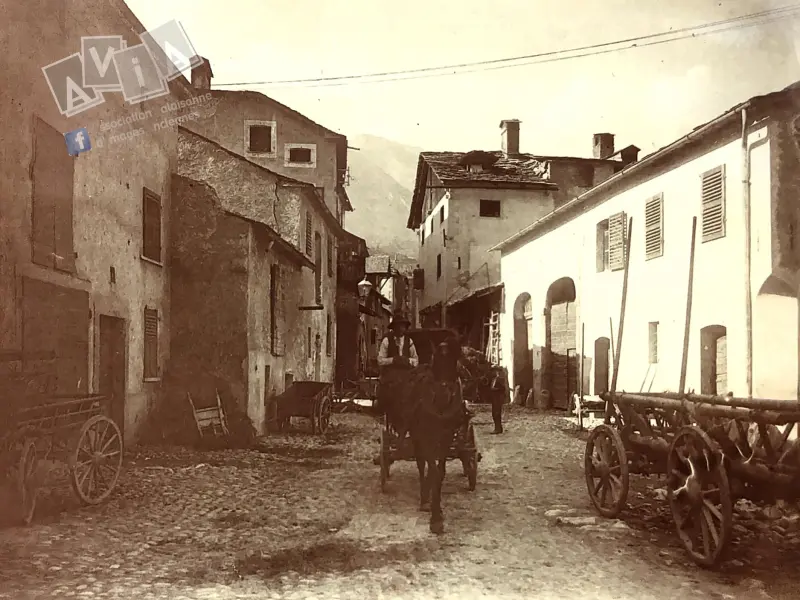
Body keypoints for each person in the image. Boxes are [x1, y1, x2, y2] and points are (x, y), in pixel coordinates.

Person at [377, 313, 418, 435]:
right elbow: (380, 360)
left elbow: (416, 360)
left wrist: (407, 361)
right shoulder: (386, 341)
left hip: (407, 374)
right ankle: (390, 414)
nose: (401, 329)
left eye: (403, 326)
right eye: (398, 326)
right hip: (391, 374)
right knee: (390, 393)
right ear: (393, 328)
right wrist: (393, 360)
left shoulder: (409, 341)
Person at [489, 366, 508, 434]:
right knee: (494, 413)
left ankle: (498, 428)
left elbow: (502, 389)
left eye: (494, 371)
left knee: (497, 413)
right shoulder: (493, 379)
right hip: (494, 398)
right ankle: (497, 427)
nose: (492, 372)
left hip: (498, 398)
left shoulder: (500, 379)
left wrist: (495, 390)